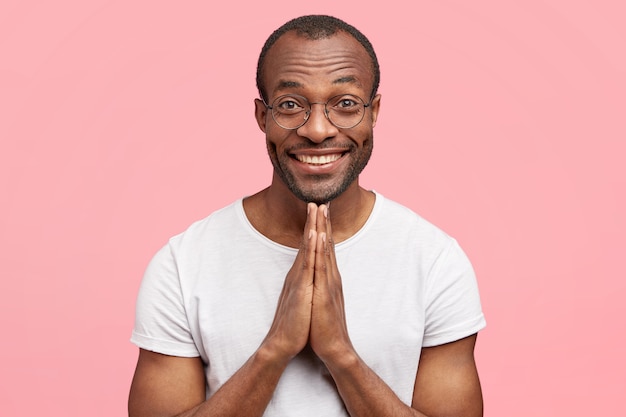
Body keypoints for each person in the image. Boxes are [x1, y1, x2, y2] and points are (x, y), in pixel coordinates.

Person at [128, 15, 486, 417]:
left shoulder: (435, 261)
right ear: (262, 117)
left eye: (346, 104)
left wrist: (340, 354)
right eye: (291, 105)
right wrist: (276, 347)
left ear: (375, 112)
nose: (317, 130)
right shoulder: (182, 264)